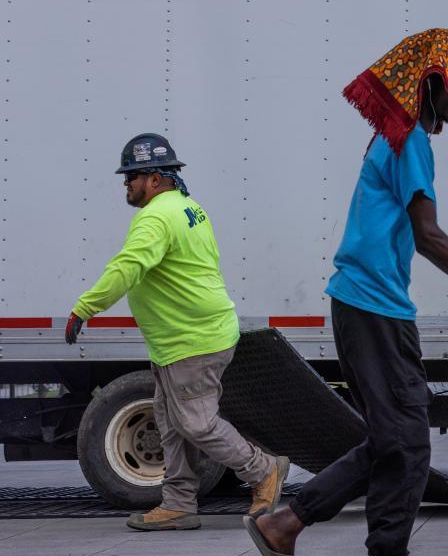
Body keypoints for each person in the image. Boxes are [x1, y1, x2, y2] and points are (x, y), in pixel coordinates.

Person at [245, 29, 448, 556]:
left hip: (368, 306)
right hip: (373, 308)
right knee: (405, 442)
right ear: (430, 87)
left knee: (395, 441)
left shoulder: (396, 136)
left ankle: (297, 531)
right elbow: (428, 235)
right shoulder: (409, 140)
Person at [65, 133, 290, 531]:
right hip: (180, 339)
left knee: (196, 423)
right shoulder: (188, 207)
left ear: (154, 179)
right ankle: (179, 504)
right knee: (171, 424)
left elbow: (127, 267)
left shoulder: (156, 217)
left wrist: (86, 307)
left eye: (132, 177)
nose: (126, 184)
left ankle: (264, 470)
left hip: (193, 340)